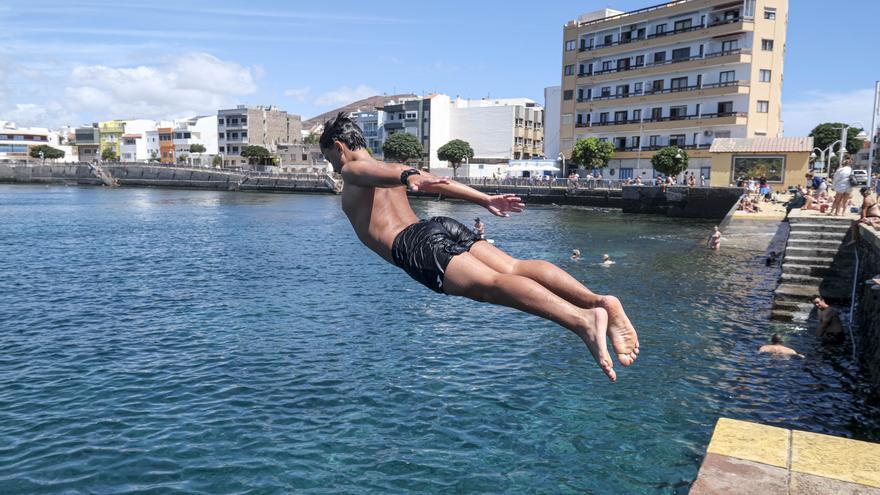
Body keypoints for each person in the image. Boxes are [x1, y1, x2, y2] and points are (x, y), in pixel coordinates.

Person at [318, 113, 638, 381]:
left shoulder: (352, 169)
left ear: (339, 146)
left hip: (414, 245)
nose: (332, 166)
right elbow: (432, 180)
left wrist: (405, 174)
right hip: (438, 225)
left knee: (492, 285)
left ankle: (582, 320)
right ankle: (599, 301)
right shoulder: (385, 165)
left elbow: (369, 171)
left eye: (329, 158)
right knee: (514, 267)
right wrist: (483, 198)